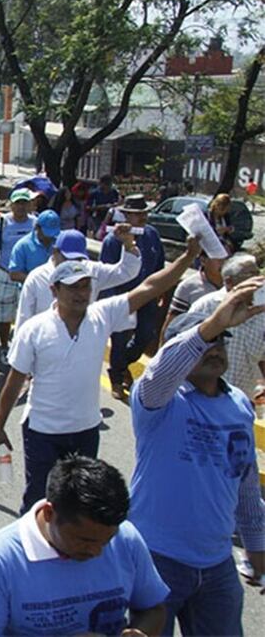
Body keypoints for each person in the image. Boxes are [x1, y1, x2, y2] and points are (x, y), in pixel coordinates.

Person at [0, 238, 201, 513]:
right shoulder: (34, 329)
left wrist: (187, 257)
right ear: (55, 290)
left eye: (85, 286)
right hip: (43, 431)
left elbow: (149, 287)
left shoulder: (103, 314)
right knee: (39, 503)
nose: (81, 293)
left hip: (86, 431)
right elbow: (15, 380)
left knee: (78, 503)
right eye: (73, 287)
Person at [129, 285, 265, 636]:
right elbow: (160, 371)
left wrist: (257, 544)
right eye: (207, 345)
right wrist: (208, 328)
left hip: (217, 564)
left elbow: (245, 482)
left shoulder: (238, 405)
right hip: (155, 559)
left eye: (221, 342)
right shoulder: (159, 401)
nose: (215, 350)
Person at [0, 455, 169, 637]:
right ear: (50, 514)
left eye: (107, 541)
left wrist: (142, 632)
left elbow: (153, 609)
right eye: (85, 540)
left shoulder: (127, 539)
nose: (97, 552)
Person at [100, 194, 166, 400]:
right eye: (138, 214)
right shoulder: (112, 240)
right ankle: (117, 378)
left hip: (146, 295)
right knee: (119, 339)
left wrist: (161, 290)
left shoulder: (152, 235)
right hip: (123, 297)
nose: (143, 217)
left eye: (144, 213)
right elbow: (106, 273)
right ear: (126, 215)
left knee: (145, 335)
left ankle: (121, 365)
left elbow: (159, 265)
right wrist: (111, 304)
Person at [14, 226, 141, 332]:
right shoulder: (37, 277)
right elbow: (24, 317)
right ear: (55, 252)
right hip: (45, 342)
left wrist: (129, 245)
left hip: (81, 341)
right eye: (68, 258)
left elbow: (126, 272)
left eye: (78, 259)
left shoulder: (92, 270)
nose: (73, 263)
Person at [187, 253, 265, 399]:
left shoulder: (262, 312)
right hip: (201, 398)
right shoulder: (206, 307)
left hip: (242, 402)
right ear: (229, 282)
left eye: (258, 272)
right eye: (251, 274)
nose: (259, 279)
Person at [0, 188, 36, 364]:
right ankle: (5, 346)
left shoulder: (36, 223)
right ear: (11, 204)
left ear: (29, 205)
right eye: (17, 202)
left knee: (29, 315)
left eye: (24, 203)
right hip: (6, 274)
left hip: (29, 277)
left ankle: (24, 348)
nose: (20, 206)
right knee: (4, 316)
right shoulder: (1, 222)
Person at [159, 254, 223, 341]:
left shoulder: (234, 285)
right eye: (219, 259)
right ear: (203, 260)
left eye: (227, 258)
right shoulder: (189, 286)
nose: (223, 263)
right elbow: (172, 323)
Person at [8, 209, 61, 284]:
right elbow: (14, 274)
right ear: (37, 227)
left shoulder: (61, 241)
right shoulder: (22, 246)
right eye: (47, 233)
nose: (50, 237)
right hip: (32, 291)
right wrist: (37, 280)